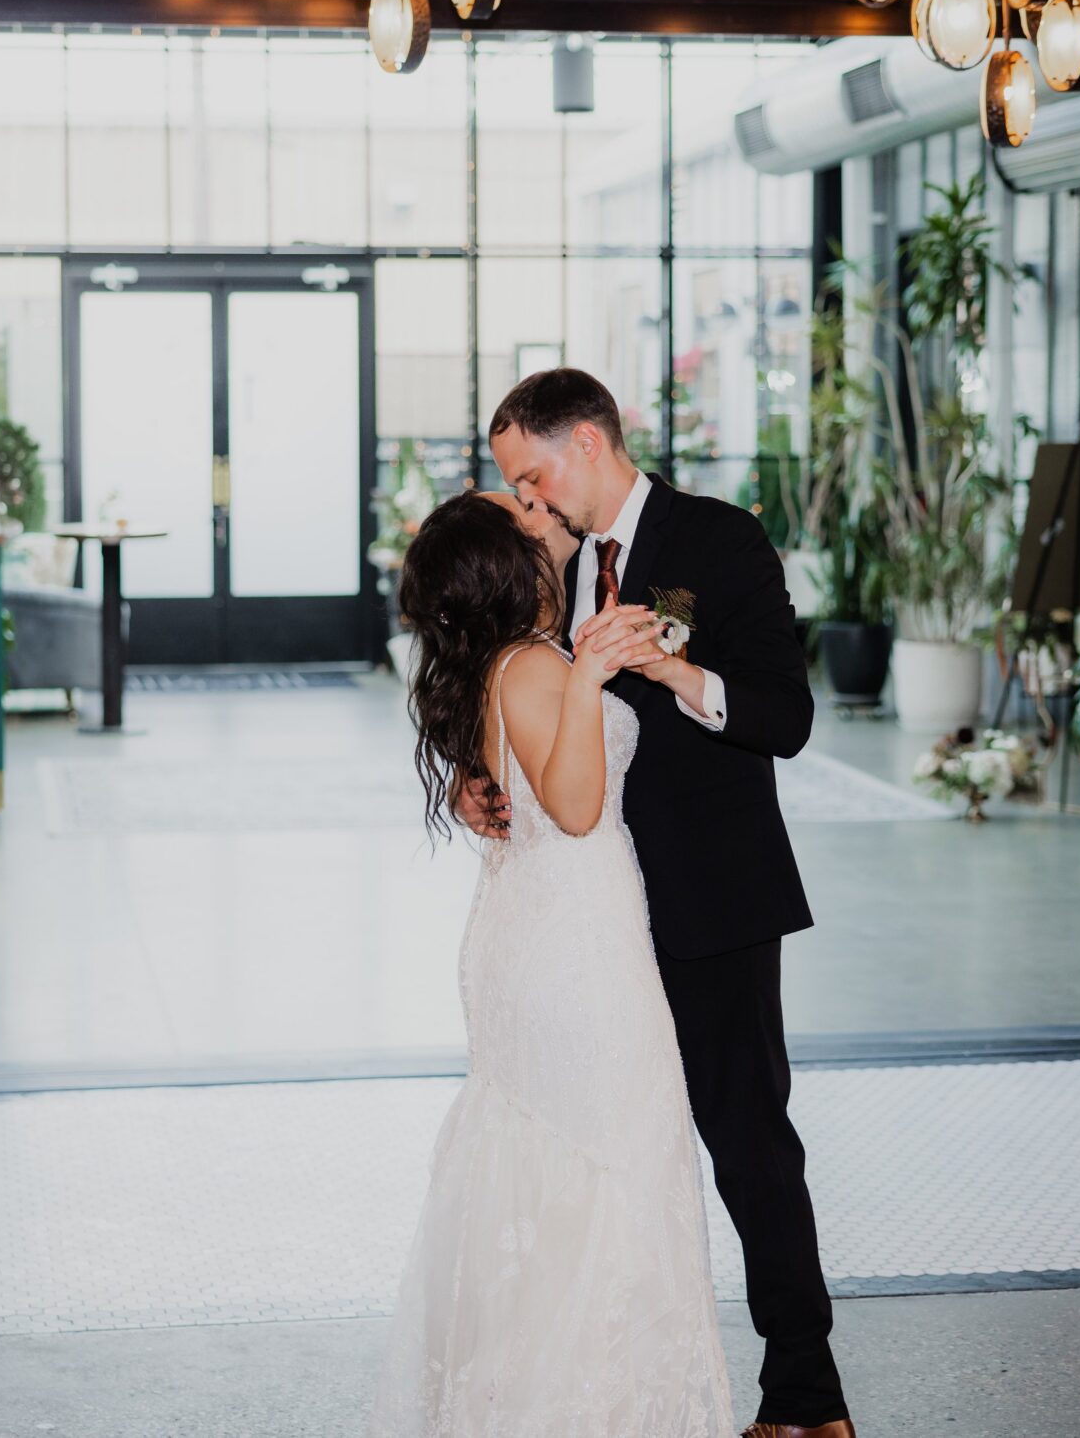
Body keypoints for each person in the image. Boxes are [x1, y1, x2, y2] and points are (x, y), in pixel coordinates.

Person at [478, 369, 853, 1438]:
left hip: (707, 895)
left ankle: (805, 1399)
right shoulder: (544, 567)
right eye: (515, 489)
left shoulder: (718, 540)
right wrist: (491, 781)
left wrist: (677, 671)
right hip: (584, 913)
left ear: (589, 441)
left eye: (535, 477)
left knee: (746, 1142)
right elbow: (528, 697)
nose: (531, 504)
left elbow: (784, 715)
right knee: (602, 1146)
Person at [367, 490, 732, 1436]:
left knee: (552, 1171)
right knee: (612, 1169)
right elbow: (573, 807)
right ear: (509, 568)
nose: (539, 520)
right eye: (523, 522)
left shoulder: (501, 665)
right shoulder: (533, 665)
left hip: (537, 932)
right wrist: (588, 675)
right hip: (576, 949)